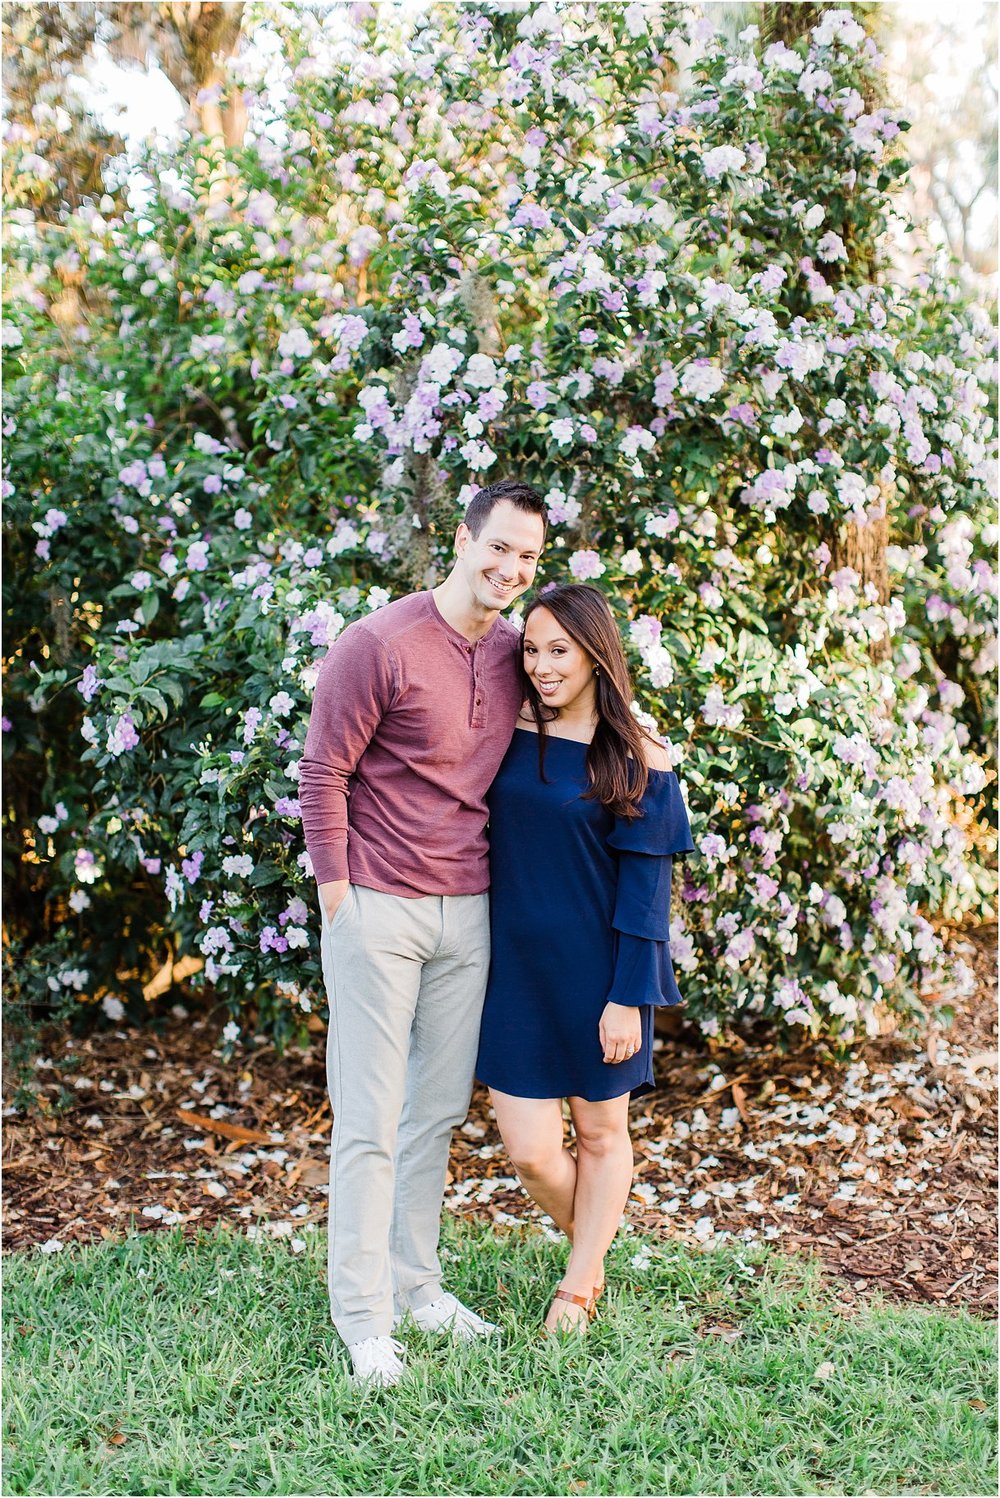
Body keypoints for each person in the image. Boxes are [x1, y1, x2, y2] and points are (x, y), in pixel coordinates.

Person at [299, 478, 547, 1386]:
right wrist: (339, 899)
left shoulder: (519, 652)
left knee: (435, 1114)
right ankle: (363, 1320)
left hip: (468, 908)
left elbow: (580, 725)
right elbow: (322, 770)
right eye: (500, 548)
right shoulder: (380, 643)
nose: (511, 569)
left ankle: (416, 1287)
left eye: (528, 557)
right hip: (377, 908)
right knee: (369, 1121)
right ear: (463, 537)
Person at [476, 582, 694, 1333]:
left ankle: (577, 1286)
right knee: (533, 1153)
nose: (540, 665)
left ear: (596, 653)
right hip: (511, 974)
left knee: (602, 1136)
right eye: (531, 650)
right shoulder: (505, 728)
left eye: (557, 650)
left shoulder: (640, 756)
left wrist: (628, 996)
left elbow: (646, 897)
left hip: (597, 977)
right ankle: (595, 1253)